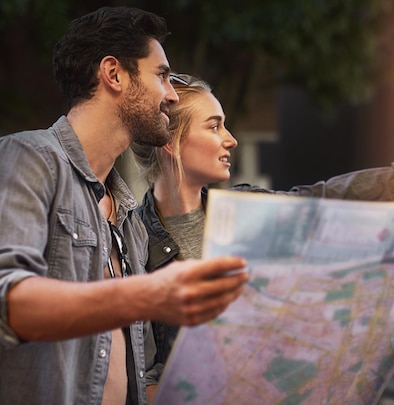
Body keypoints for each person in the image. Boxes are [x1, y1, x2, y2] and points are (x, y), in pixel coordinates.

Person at [131, 73, 394, 366]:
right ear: (170, 141)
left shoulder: (247, 213)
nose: (230, 139)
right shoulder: (129, 238)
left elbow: (336, 195)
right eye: (214, 126)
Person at [0, 8, 248, 405]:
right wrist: (149, 293)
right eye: (161, 75)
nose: (171, 94)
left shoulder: (129, 220)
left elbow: (138, 373)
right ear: (113, 74)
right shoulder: (29, 158)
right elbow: (7, 301)